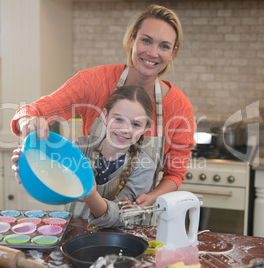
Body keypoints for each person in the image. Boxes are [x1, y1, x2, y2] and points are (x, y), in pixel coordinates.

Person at [11, 4, 196, 209]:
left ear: (173, 52)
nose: (153, 52)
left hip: (135, 218)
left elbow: (175, 173)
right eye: (146, 40)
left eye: (164, 46)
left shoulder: (179, 106)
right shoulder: (94, 81)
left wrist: (152, 197)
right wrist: (31, 156)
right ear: (132, 39)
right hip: (81, 216)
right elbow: (34, 111)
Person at [70, 85, 155, 228]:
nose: (125, 129)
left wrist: (92, 197)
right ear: (105, 116)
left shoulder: (144, 166)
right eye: (118, 119)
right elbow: (56, 177)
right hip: (74, 232)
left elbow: (118, 215)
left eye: (135, 124)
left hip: (116, 241)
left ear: (145, 129)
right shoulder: (81, 148)